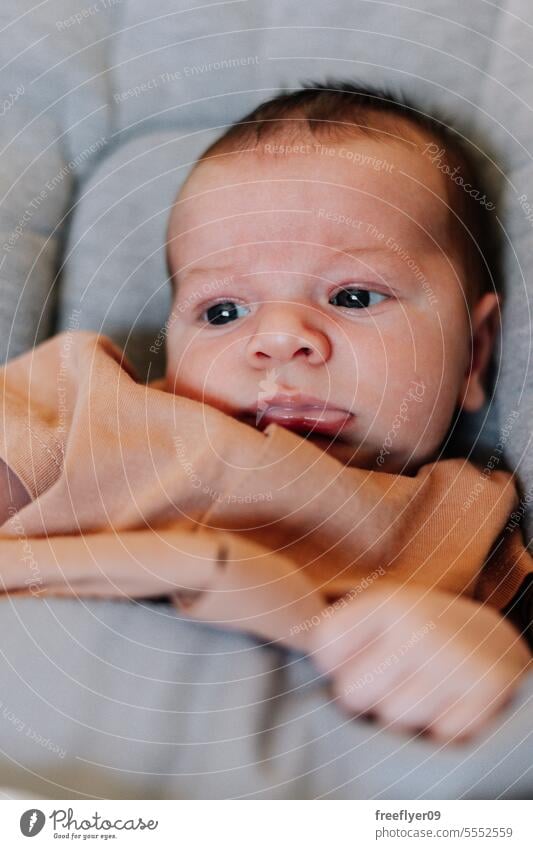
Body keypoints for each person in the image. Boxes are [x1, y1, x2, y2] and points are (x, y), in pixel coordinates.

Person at [0, 82, 530, 742]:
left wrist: (492, 657)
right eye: (222, 311)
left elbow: (494, 681)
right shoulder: (97, 408)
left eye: (355, 295)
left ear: (474, 355)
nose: (280, 339)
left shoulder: (458, 523)